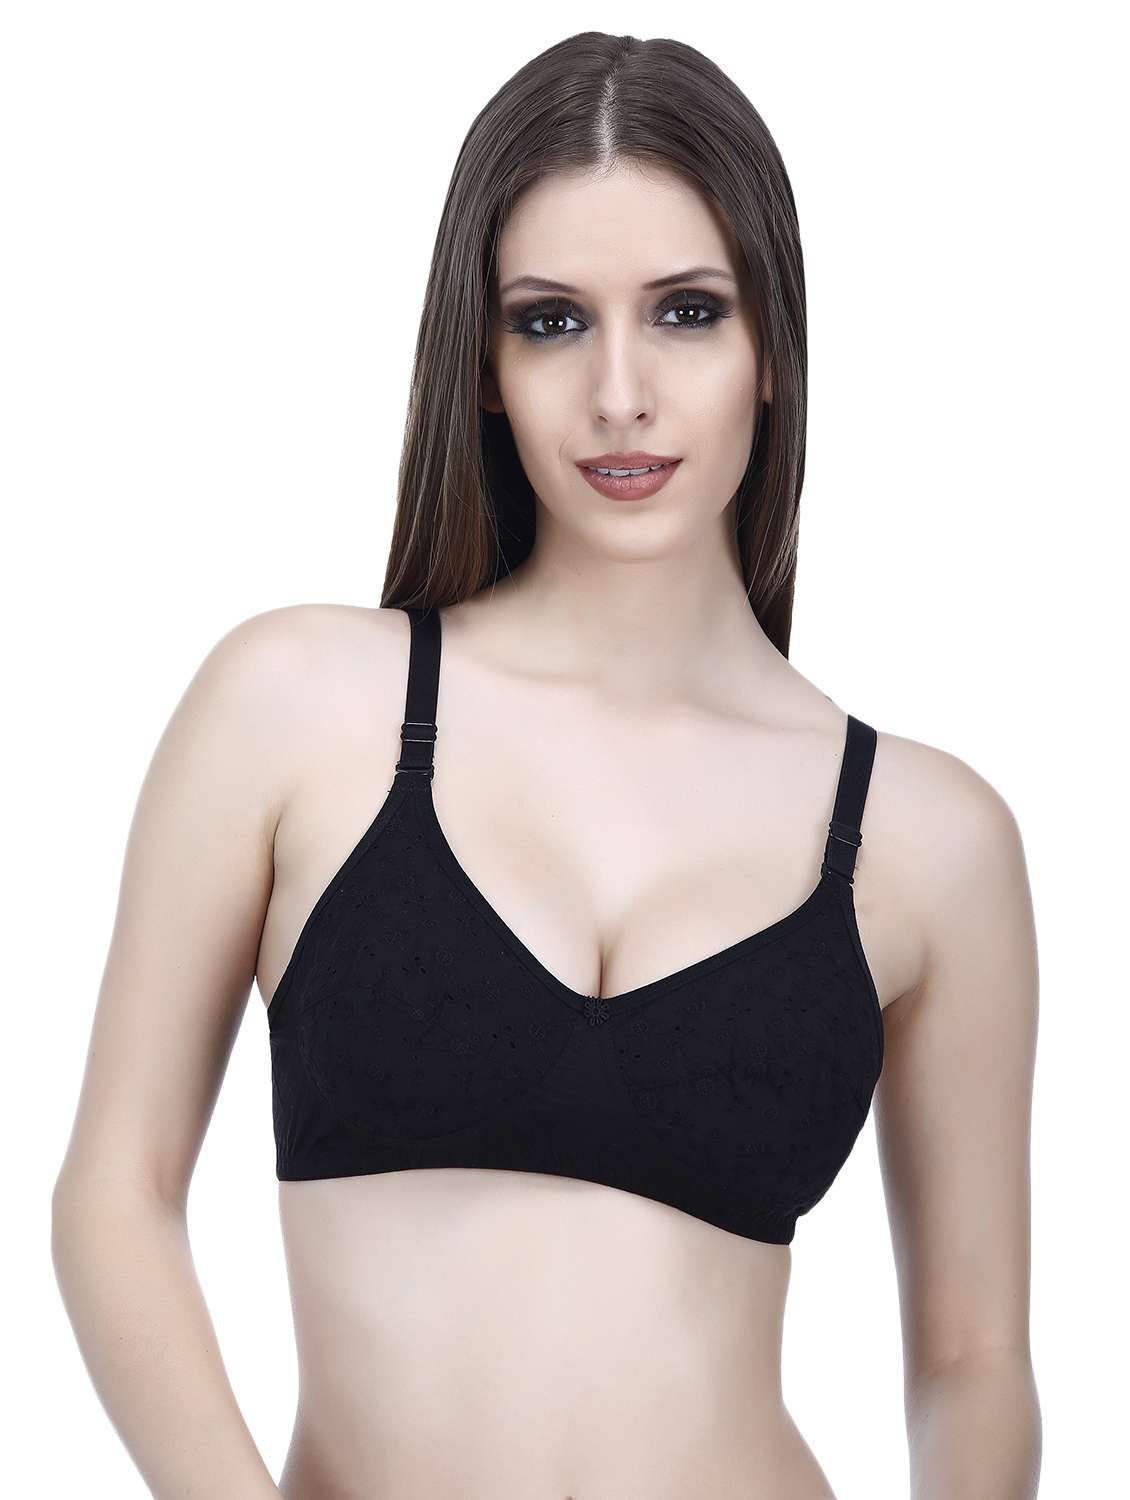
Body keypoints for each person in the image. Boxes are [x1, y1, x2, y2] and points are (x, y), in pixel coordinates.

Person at [50, 30, 1042, 1500]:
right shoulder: (299, 707)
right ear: (484, 363)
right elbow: (115, 1201)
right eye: (553, 322)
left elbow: (971, 1358)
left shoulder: (928, 838)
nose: (620, 393)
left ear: (773, 351)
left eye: (688, 312)